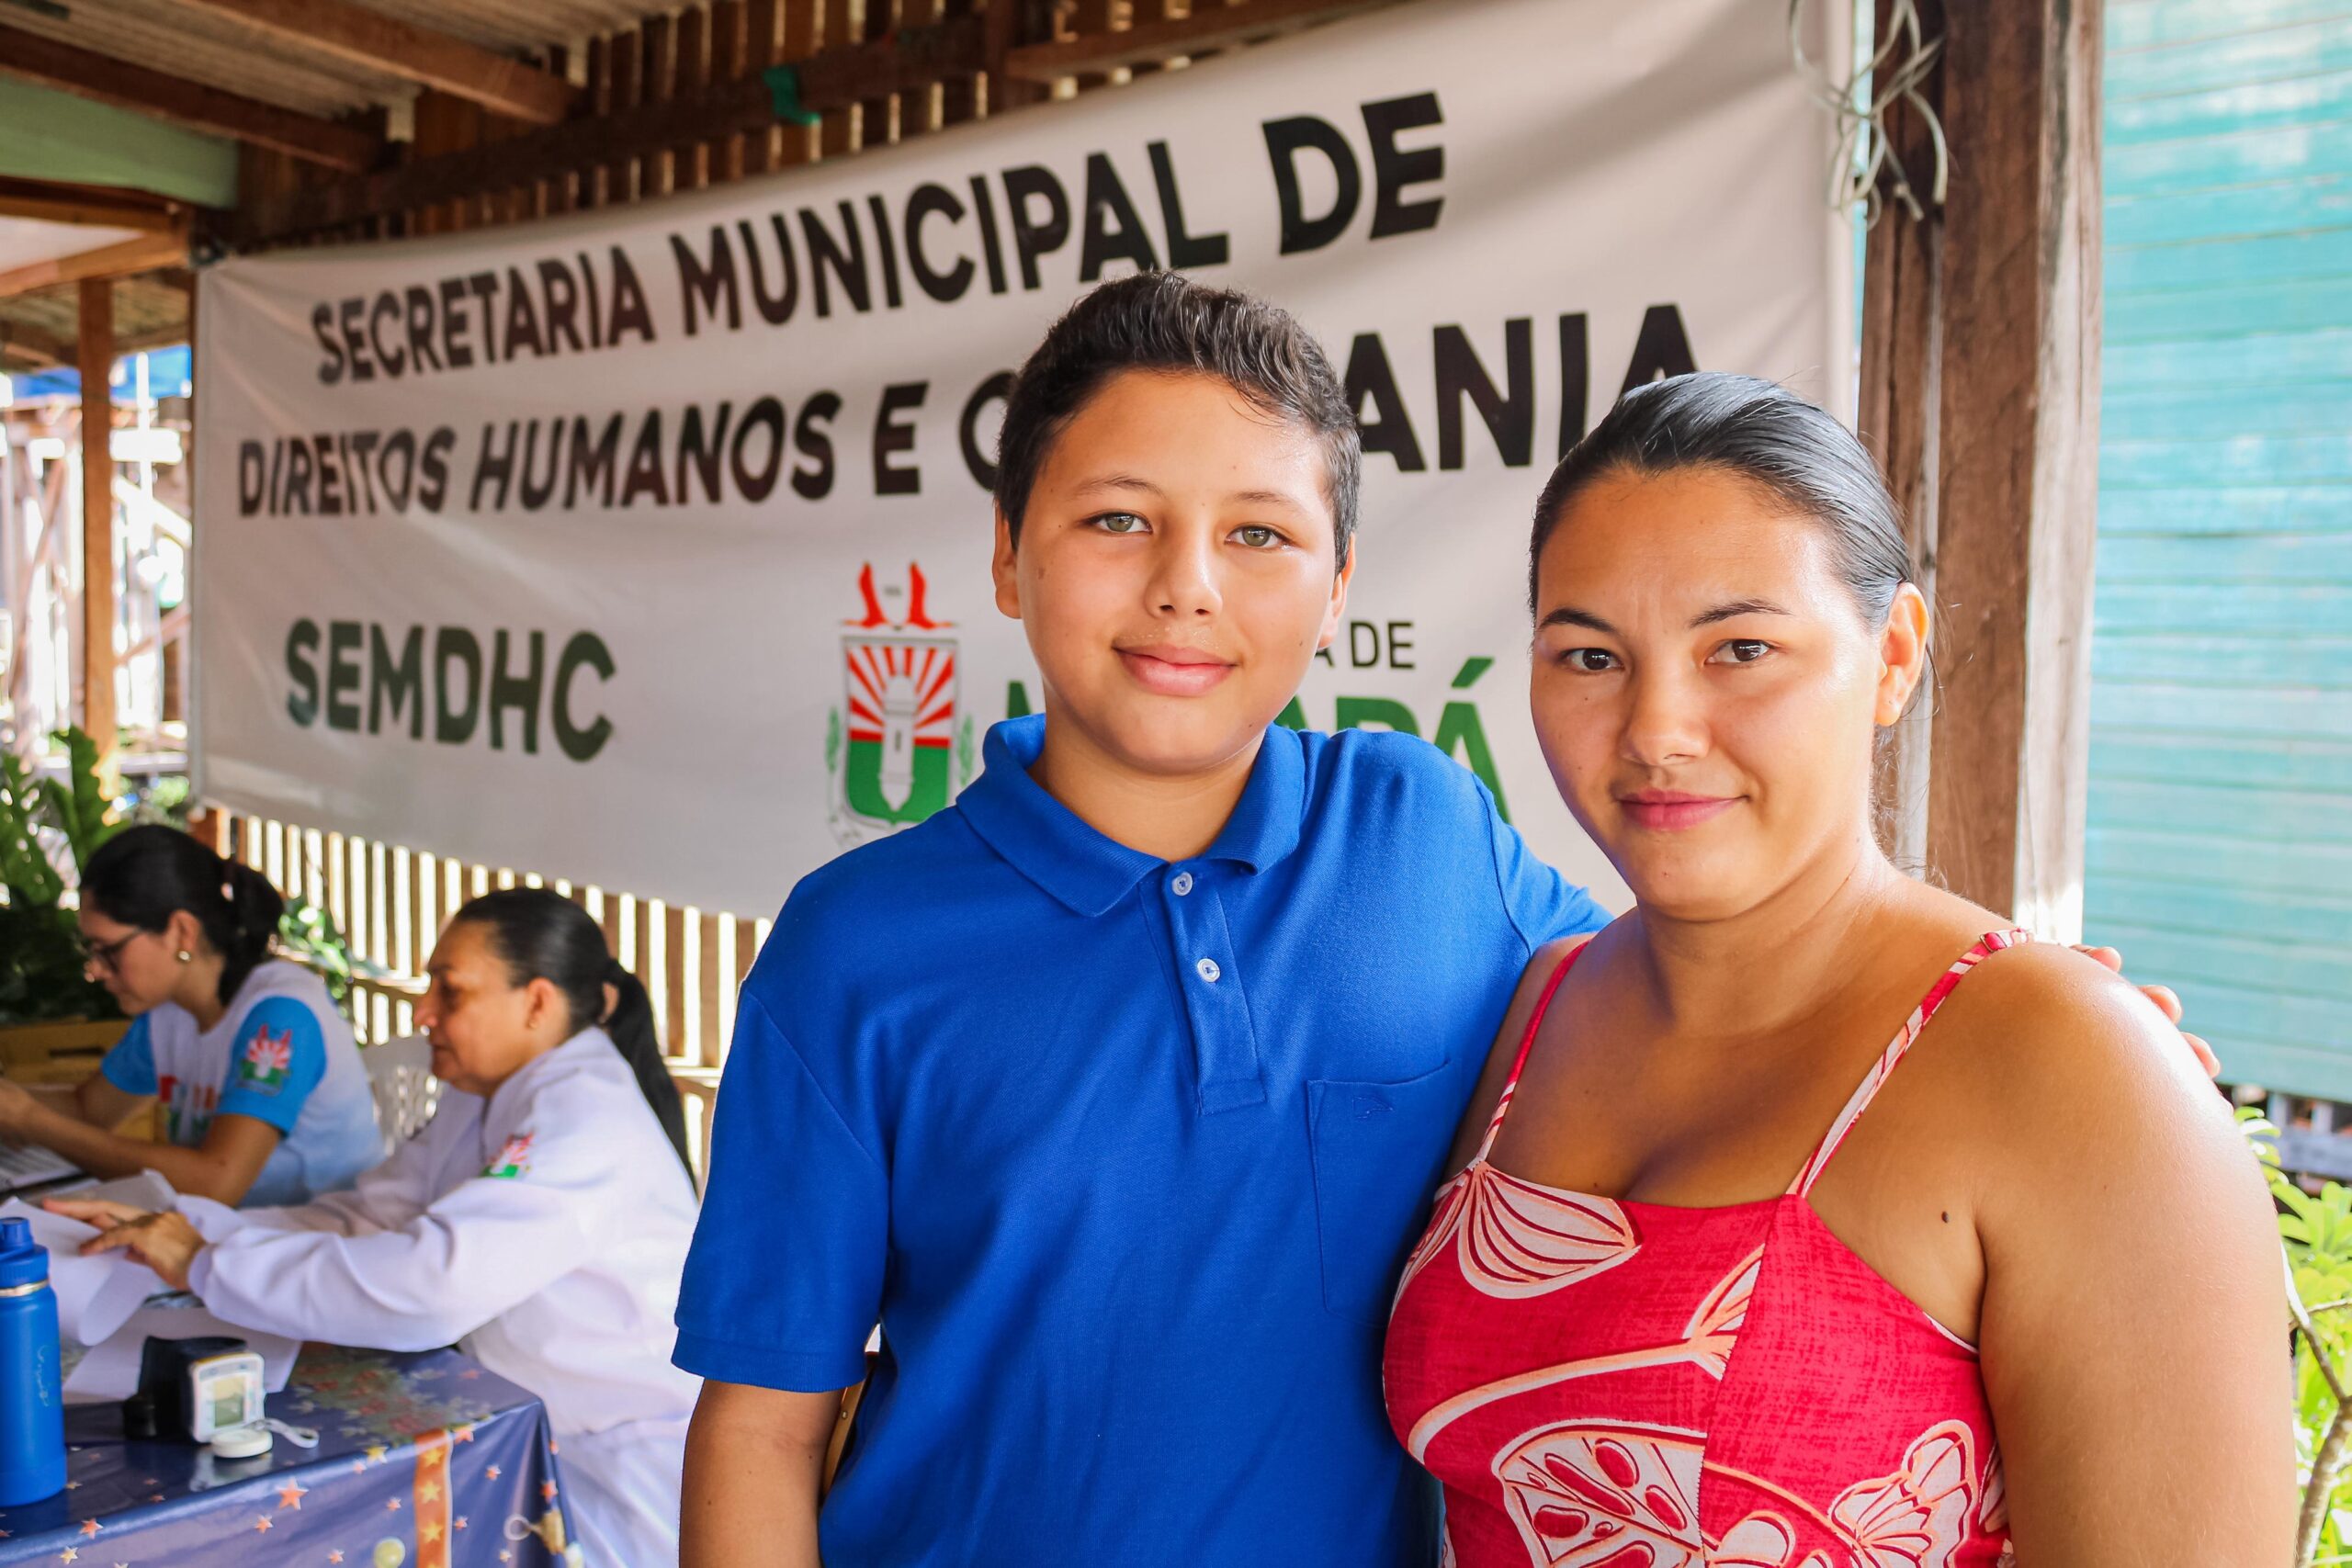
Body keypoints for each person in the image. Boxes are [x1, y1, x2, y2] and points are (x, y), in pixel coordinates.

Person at [673, 275, 2212, 1568]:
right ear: (1007, 554)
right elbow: (762, 1421)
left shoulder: (1421, 832)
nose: (1188, 588)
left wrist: (2053, 1046)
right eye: (1118, 521)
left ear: (1342, 583)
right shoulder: (855, 946)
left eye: (1261, 535)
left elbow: (1746, 969)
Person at [1384, 373, 2293, 1563]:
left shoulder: (2065, 1061)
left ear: (1896, 652)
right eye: (1592, 654)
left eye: (1741, 647)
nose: (1659, 726)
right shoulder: (1536, 1001)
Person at [51, 887, 701, 1567]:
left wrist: (205, 1261)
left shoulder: (582, 1120)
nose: (423, 1012)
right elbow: (372, 1214)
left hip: (609, 1470)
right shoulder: (489, 1093)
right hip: (525, 1426)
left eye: (449, 992)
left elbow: (430, 1285)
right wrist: (191, 1228)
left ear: (537, 1003)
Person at [0, 825, 378, 1205]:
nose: (94, 970)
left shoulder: (280, 1019)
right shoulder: (168, 1014)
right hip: (240, 1237)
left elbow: (215, 1182)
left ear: (182, 932)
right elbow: (91, 1110)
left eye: (108, 950)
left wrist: (32, 1121)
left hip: (322, 1240)